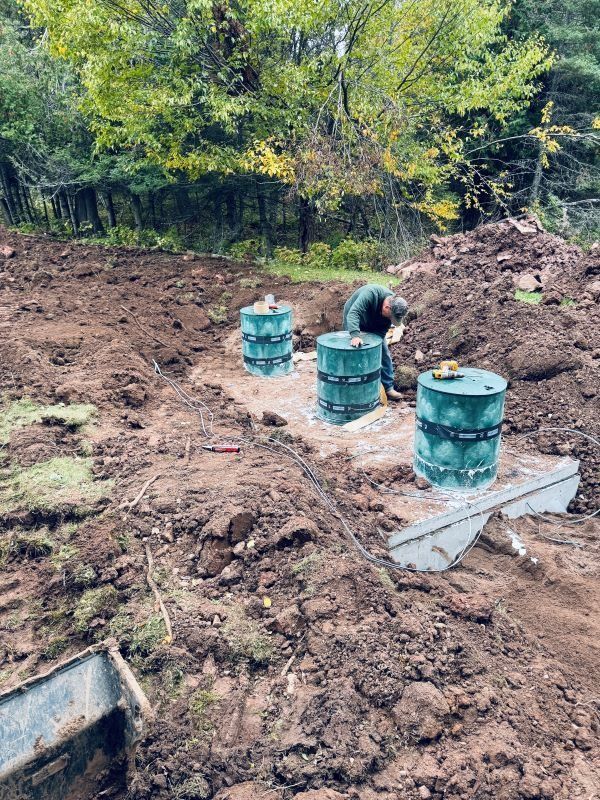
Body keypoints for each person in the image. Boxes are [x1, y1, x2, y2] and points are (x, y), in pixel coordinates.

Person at [343, 284, 409, 401]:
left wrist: (374, 346)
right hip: (354, 318)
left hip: (374, 323)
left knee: (383, 352)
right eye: (391, 317)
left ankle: (388, 387)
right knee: (352, 352)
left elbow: (383, 329)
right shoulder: (370, 294)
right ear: (387, 307)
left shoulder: (392, 308)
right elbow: (354, 313)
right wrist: (355, 335)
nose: (390, 320)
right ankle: (350, 387)